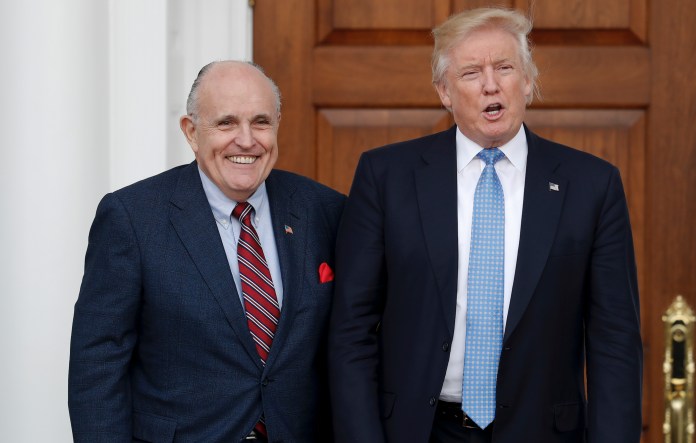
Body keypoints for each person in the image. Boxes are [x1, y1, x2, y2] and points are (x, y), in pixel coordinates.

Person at [328, 7, 642, 443]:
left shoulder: (592, 184)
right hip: (420, 430)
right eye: (471, 73)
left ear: (527, 81)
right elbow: (351, 330)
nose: (491, 84)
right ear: (444, 92)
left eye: (505, 68)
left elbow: (616, 343)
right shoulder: (386, 177)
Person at [69, 61, 345, 442]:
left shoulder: (326, 211)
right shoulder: (133, 217)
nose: (246, 140)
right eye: (226, 123)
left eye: (261, 122)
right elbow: (98, 362)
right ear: (191, 132)